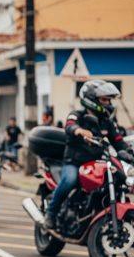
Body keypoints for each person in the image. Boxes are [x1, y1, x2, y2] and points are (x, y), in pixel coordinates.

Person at [45, 80, 132, 229]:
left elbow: (118, 141)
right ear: (91, 99)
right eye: (104, 99)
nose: (108, 103)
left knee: (119, 180)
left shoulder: (107, 122)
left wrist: (128, 153)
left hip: (96, 163)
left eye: (109, 99)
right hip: (74, 162)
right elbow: (70, 126)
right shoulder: (77, 115)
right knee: (69, 181)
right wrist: (79, 131)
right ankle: (50, 214)